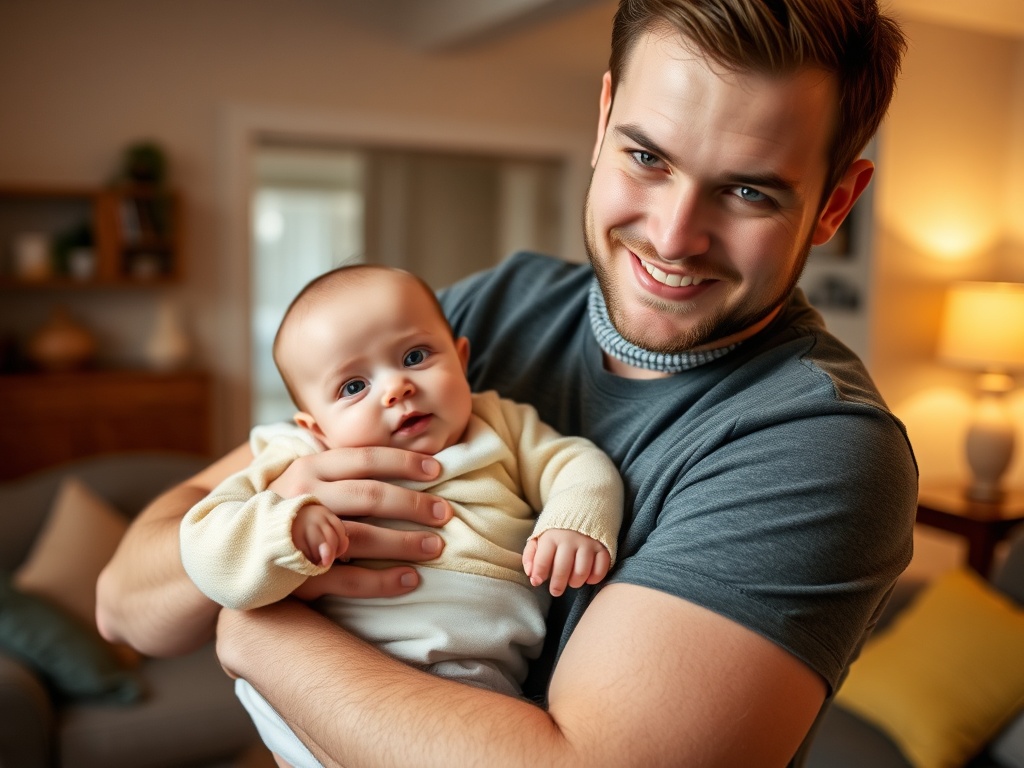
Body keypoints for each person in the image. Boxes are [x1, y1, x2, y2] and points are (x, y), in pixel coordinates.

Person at [97, 1, 919, 765]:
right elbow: (125, 604)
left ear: (834, 204)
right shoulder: (491, 309)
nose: (673, 237)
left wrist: (255, 631)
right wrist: (252, 538)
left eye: (748, 191)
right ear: (602, 121)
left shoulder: (819, 447)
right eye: (647, 156)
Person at [179, 264, 622, 767]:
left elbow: (577, 462)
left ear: (460, 359)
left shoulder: (500, 421)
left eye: (415, 356)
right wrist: (285, 529)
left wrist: (574, 518)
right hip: (332, 663)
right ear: (314, 424)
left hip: (472, 668)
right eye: (352, 387)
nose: (396, 389)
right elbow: (204, 541)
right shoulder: (295, 453)